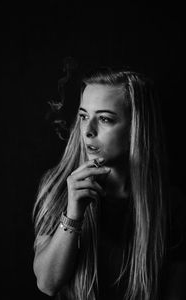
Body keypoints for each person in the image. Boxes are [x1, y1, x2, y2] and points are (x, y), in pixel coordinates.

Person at [32, 67, 186, 299]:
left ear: (137, 127)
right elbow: (47, 283)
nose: (88, 131)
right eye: (84, 116)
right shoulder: (59, 185)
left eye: (104, 119)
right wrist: (74, 213)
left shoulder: (168, 204)